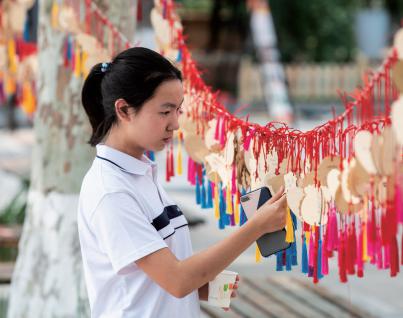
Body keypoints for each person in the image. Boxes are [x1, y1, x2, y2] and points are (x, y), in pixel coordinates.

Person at [78, 47, 287, 318]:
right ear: (125, 110)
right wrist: (258, 226)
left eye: (178, 110)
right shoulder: (111, 191)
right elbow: (176, 280)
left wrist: (205, 286)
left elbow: (154, 275)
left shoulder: (140, 174)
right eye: (165, 111)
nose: (175, 123)